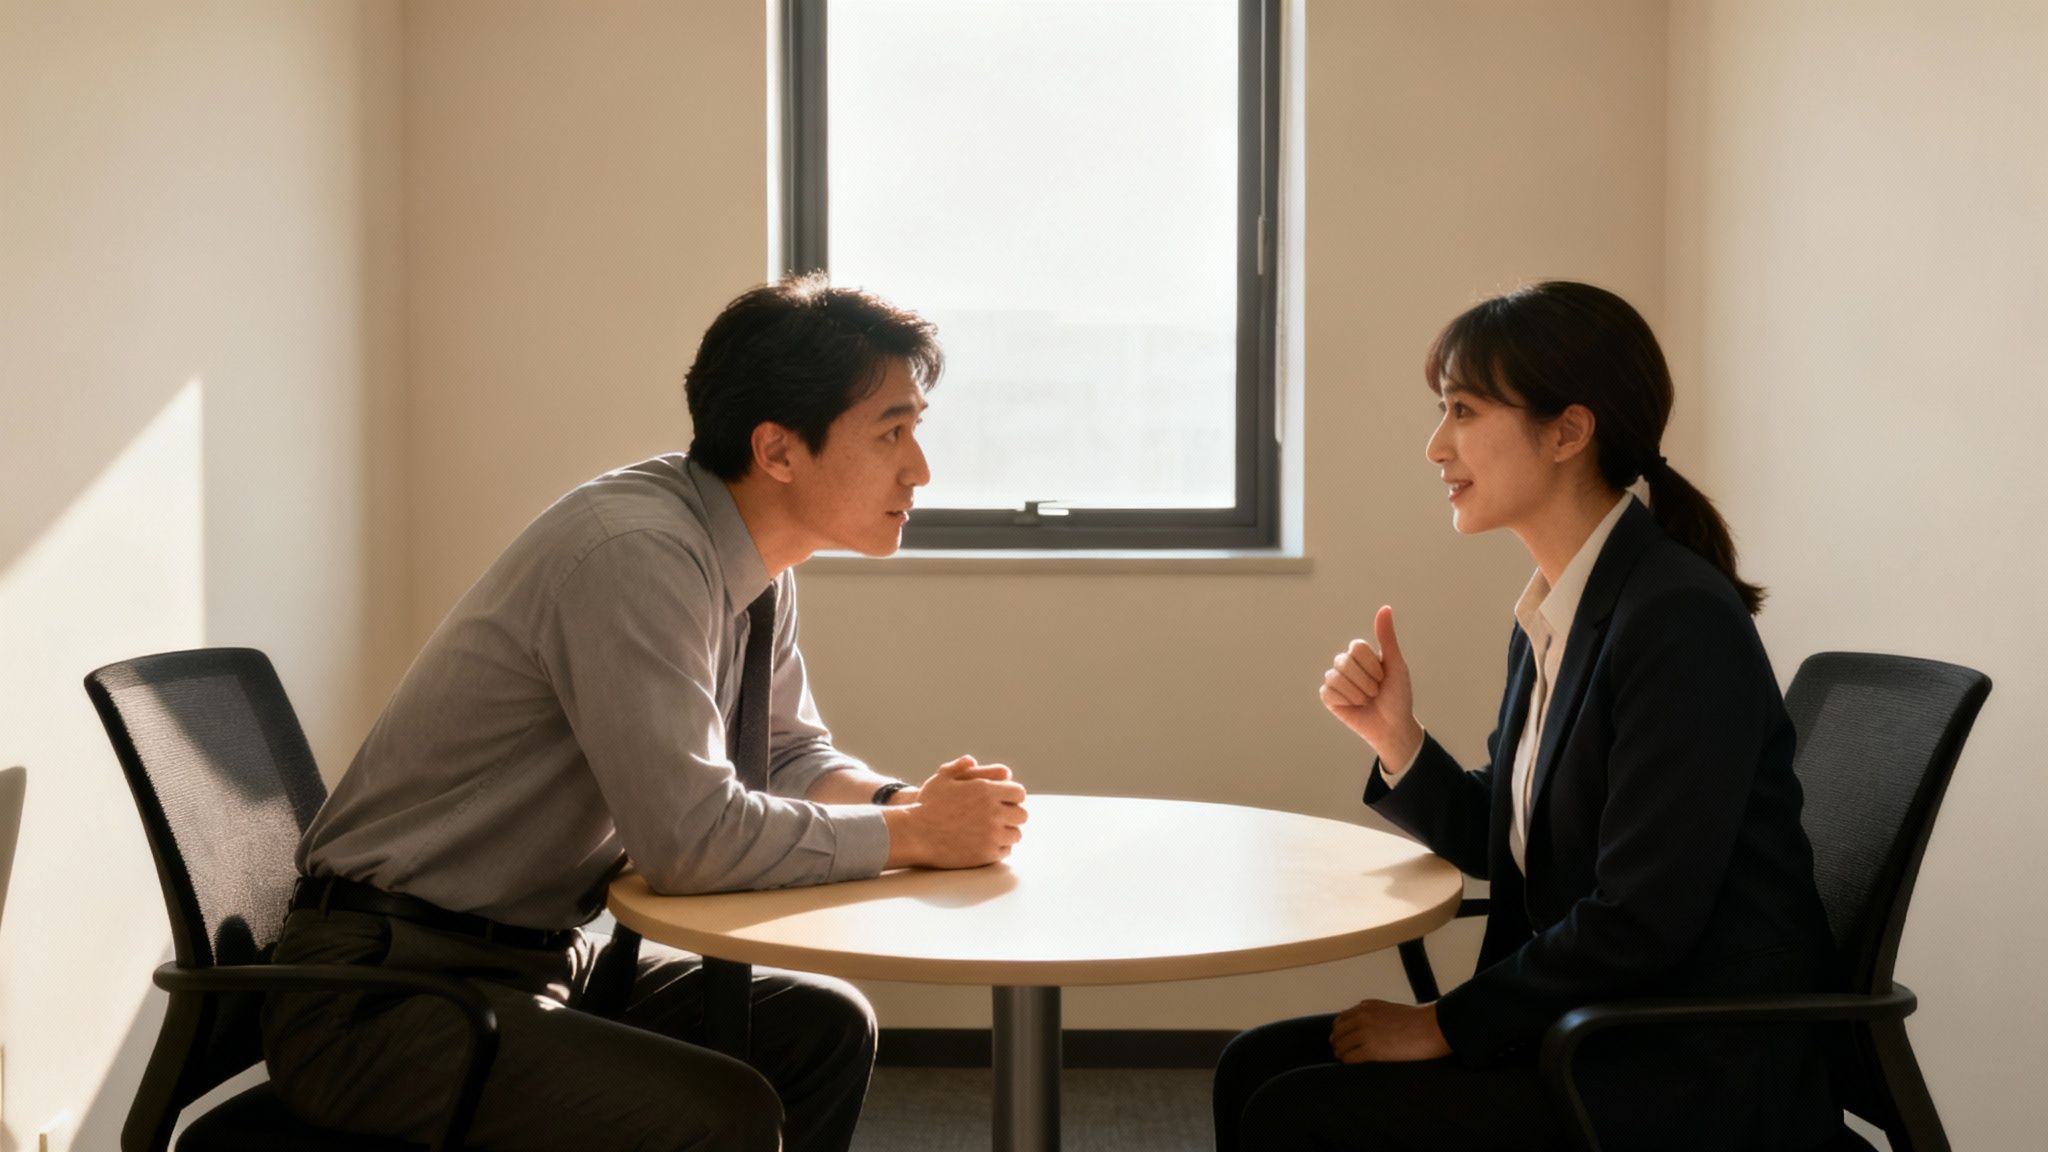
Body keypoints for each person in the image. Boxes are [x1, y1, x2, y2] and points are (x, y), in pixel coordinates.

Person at [262, 274, 1030, 1152]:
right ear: (778, 451)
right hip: (383, 1002)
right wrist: (920, 838)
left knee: (825, 1029)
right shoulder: (639, 555)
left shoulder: (753, 562)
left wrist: (900, 804)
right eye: (892, 432)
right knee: (724, 1117)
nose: (920, 468)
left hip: (533, 961)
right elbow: (693, 843)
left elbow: (782, 752)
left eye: (916, 430)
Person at [1213, 281, 1837, 1151]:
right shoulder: (1563, 609)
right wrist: (1398, 739)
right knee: (1254, 1067)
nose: (1437, 446)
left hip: (1676, 1063)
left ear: (1568, 433)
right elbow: (1515, 841)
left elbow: (1641, 917)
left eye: (1462, 410)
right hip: (1588, 1023)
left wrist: (1443, 1024)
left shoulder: (1674, 619)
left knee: (1294, 1109)